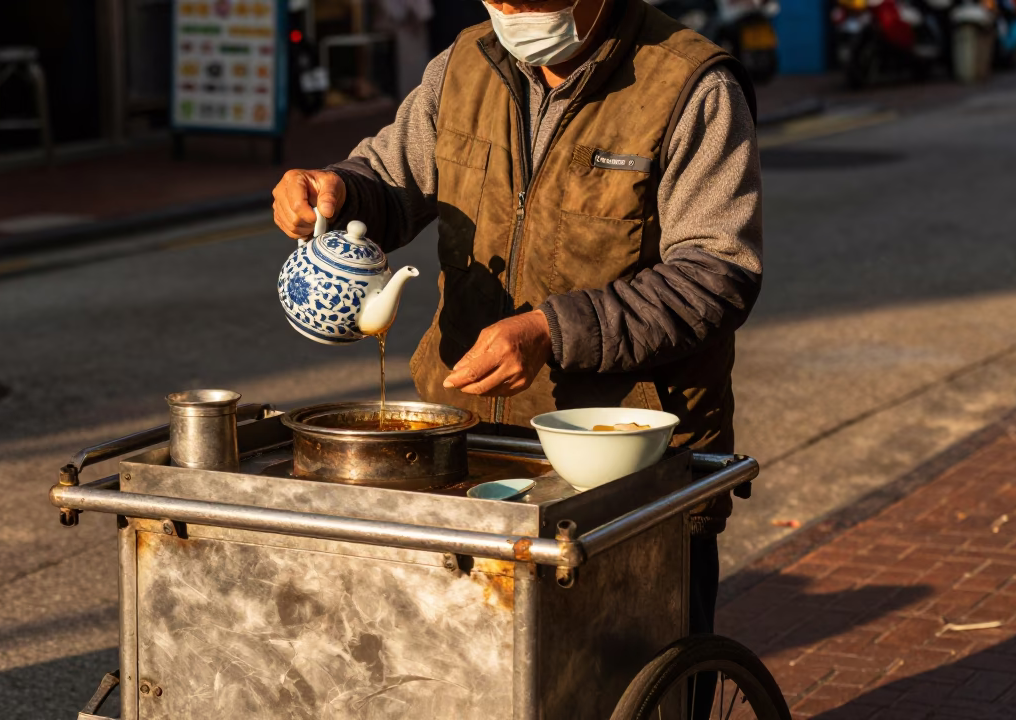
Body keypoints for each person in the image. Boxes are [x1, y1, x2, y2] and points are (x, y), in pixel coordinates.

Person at [270, 0, 763, 638]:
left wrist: (553, 331)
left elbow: (717, 275)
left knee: (614, 676)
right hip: (469, 451)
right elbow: (392, 180)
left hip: (622, 465)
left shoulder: (691, 85)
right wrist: (334, 189)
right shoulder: (463, 66)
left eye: (530, 1)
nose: (509, 11)